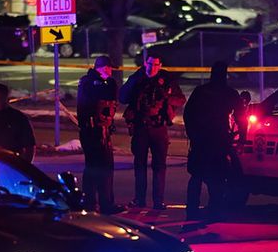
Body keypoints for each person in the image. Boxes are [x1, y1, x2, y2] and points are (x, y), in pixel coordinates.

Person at [119, 52, 185, 210]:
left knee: (159, 166)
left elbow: (181, 99)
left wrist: (166, 97)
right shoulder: (138, 77)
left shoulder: (166, 80)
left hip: (158, 127)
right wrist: (134, 83)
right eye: (149, 64)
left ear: (160, 66)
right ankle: (139, 199)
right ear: (145, 63)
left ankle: (158, 201)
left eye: (155, 65)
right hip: (140, 127)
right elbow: (122, 97)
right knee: (140, 165)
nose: (152, 68)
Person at [182, 61, 242, 220]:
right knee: (217, 178)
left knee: (197, 176)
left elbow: (188, 114)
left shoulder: (200, 91)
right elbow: (241, 117)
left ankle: (192, 210)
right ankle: (214, 210)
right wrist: (242, 136)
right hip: (219, 141)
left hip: (201, 140)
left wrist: (192, 134)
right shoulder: (230, 93)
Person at [76, 55, 121, 214]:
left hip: (104, 130)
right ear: (100, 67)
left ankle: (106, 202)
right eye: (107, 67)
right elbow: (90, 104)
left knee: (107, 167)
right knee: (94, 167)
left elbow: (113, 100)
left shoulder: (108, 83)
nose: (110, 71)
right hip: (92, 131)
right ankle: (90, 203)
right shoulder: (88, 82)